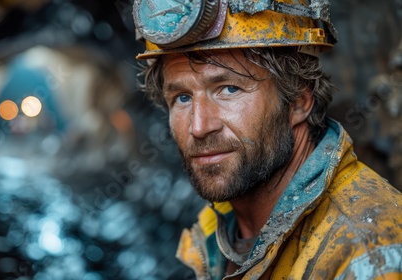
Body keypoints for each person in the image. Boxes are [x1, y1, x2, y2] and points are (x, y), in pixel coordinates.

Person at [132, 0, 402, 279]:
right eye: (182, 97)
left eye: (229, 89)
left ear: (299, 101)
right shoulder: (214, 230)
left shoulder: (368, 255)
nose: (199, 127)